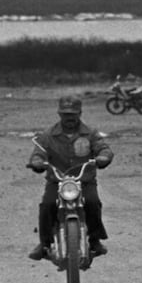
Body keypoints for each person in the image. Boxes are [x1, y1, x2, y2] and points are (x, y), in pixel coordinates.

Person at [26, 96, 114, 260]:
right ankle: (44, 244)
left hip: (84, 180)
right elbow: (38, 152)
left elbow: (103, 148)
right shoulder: (49, 135)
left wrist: (104, 157)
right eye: (66, 114)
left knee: (93, 203)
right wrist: (37, 161)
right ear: (59, 114)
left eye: (73, 114)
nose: (69, 118)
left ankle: (94, 240)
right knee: (47, 205)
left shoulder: (90, 133)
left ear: (79, 113)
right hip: (57, 181)